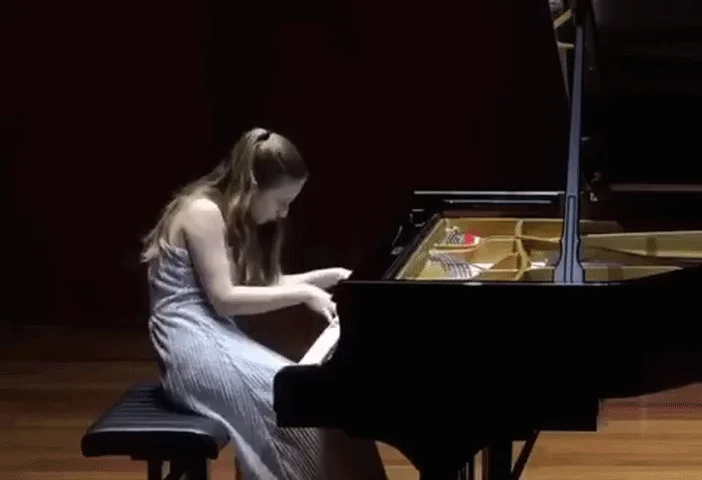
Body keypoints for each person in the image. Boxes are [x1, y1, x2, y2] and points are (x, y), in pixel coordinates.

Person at [141, 127, 388, 480]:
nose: (283, 213)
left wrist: (330, 276)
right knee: (298, 405)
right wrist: (305, 295)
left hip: (211, 339)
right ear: (253, 187)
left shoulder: (216, 210)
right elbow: (225, 299)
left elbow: (256, 286)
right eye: (281, 202)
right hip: (192, 349)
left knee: (316, 403)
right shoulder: (201, 211)